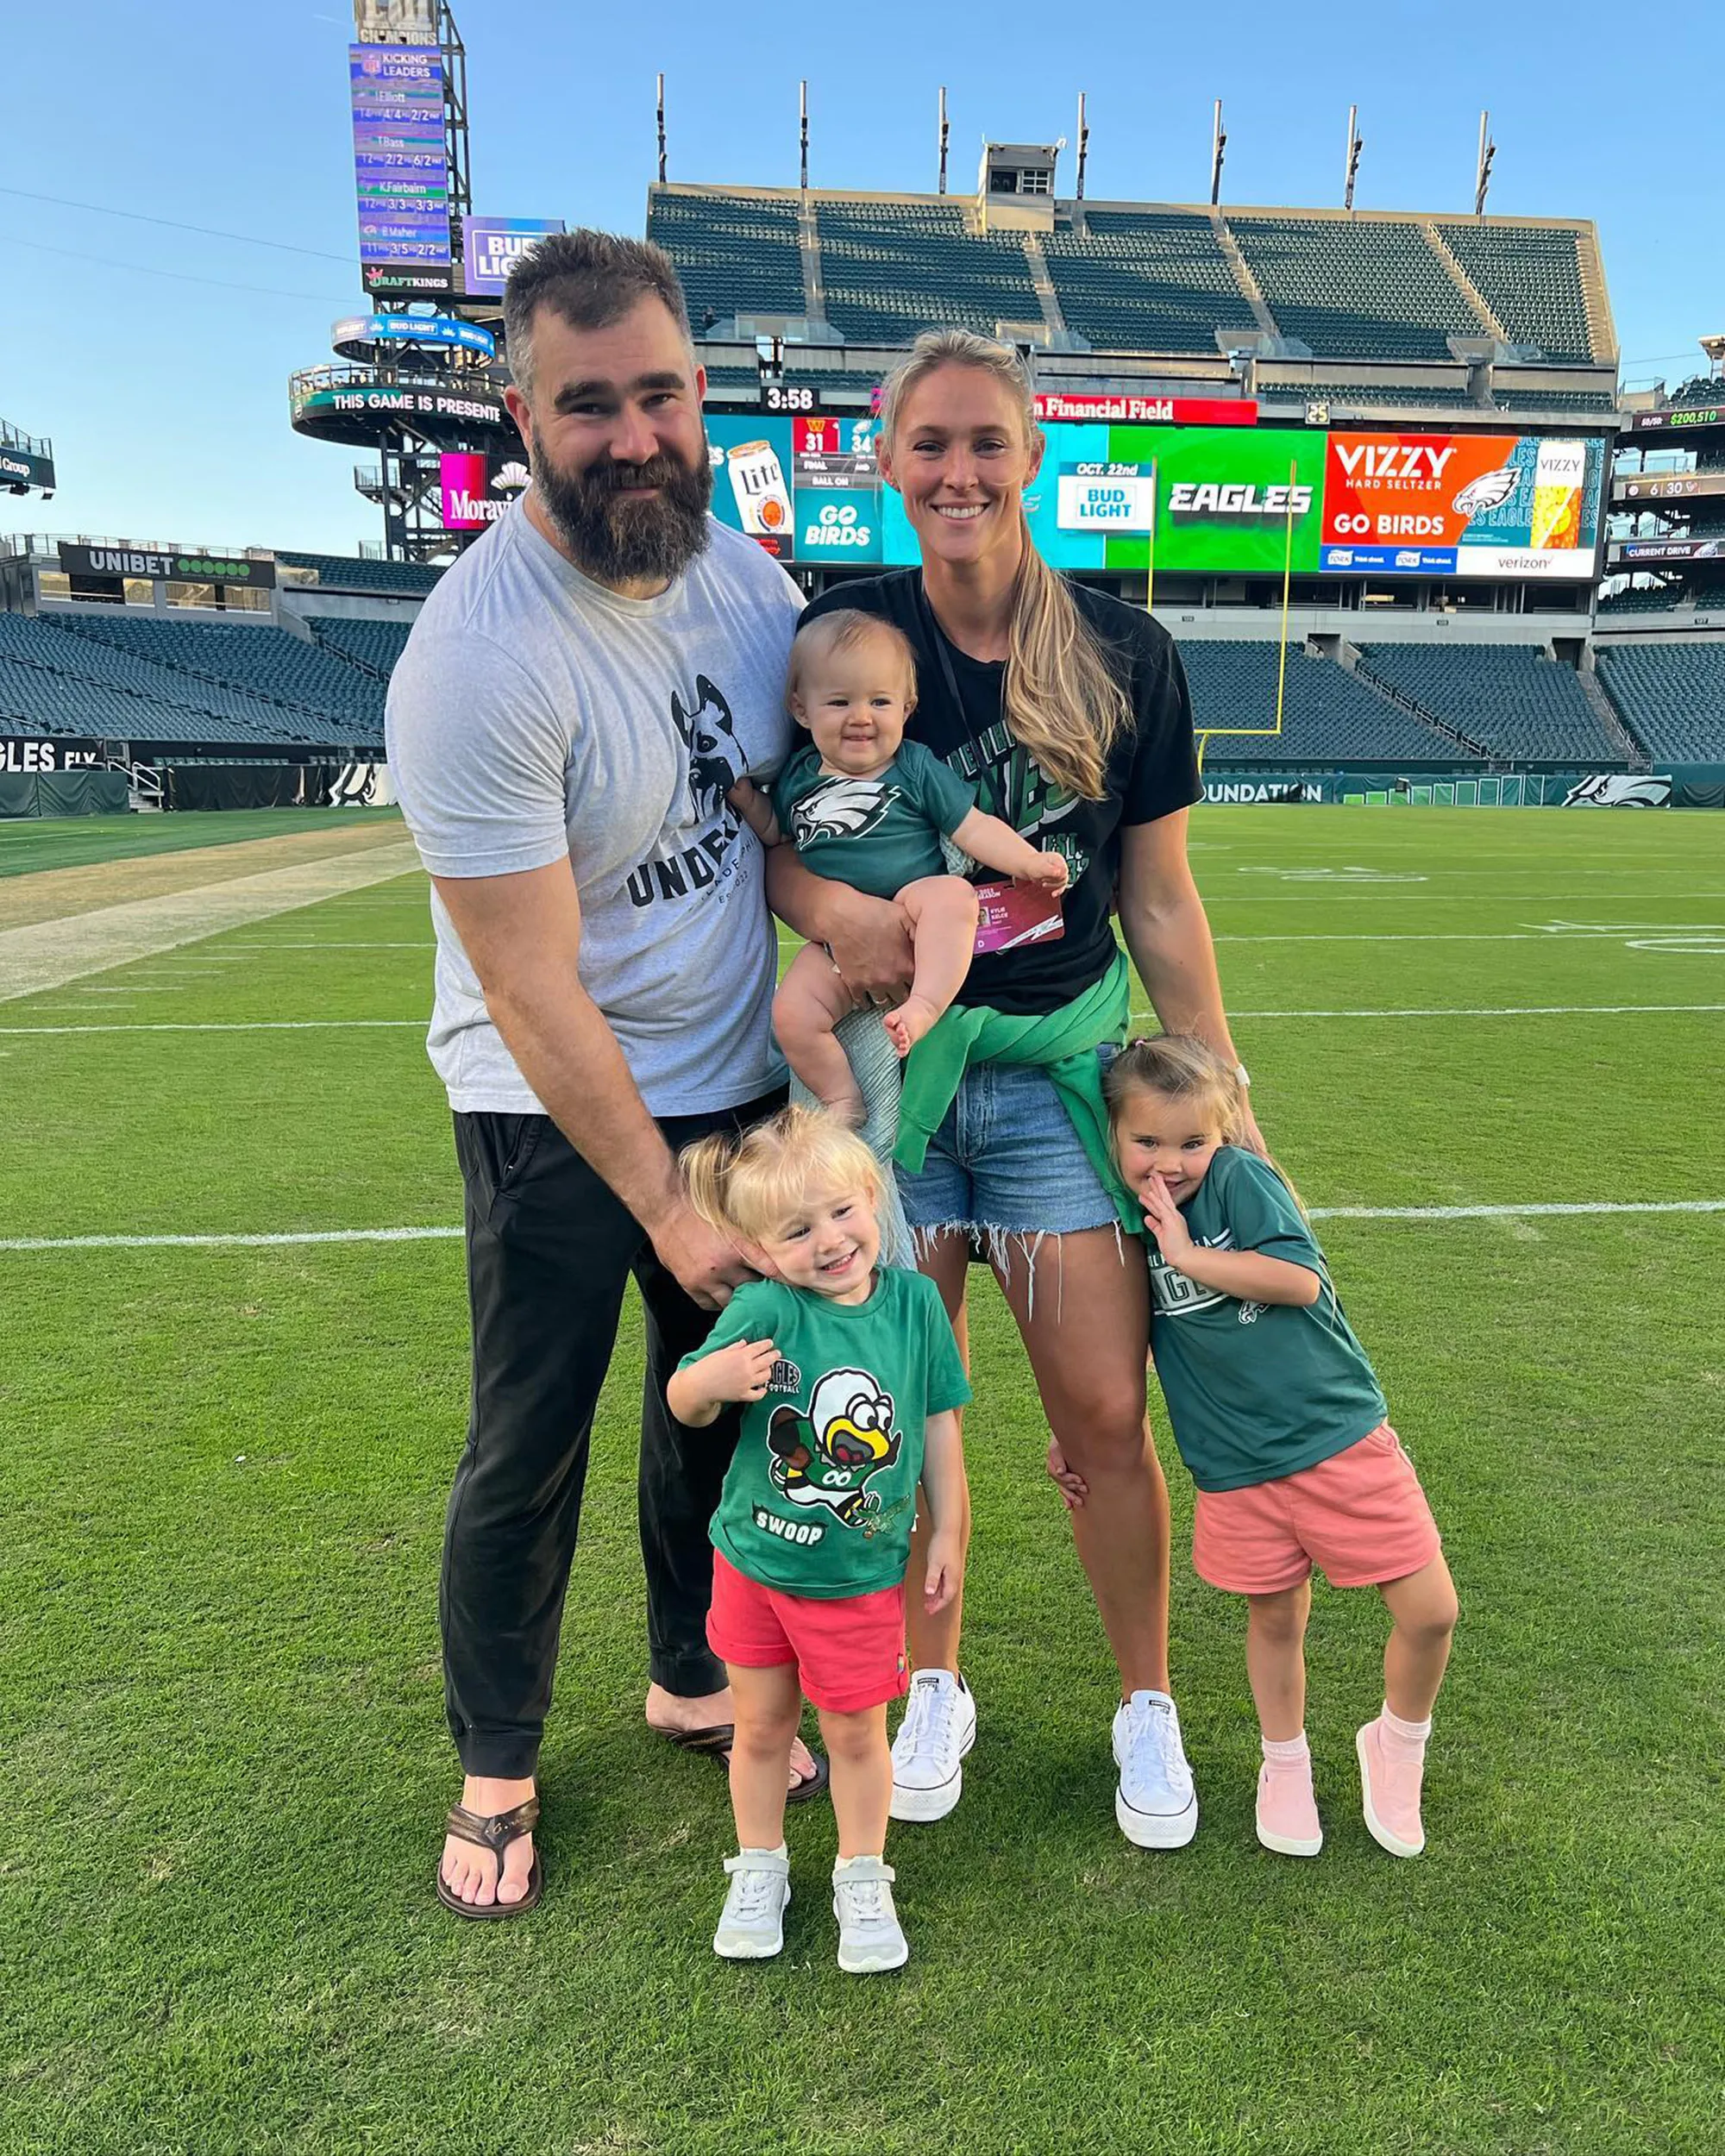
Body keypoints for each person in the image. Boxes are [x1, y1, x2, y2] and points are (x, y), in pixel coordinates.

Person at [764, 328, 1261, 1846]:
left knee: (1104, 1410)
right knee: (893, 1401)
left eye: (988, 441)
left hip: (1057, 1081)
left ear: (1032, 456)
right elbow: (780, 843)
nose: (959, 471)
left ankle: (1146, 1704)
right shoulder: (845, 635)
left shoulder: (1125, 650)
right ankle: (934, 1686)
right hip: (892, 1078)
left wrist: (1225, 1086)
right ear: (887, 459)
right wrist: (833, 914)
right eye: (930, 444)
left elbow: (1158, 897)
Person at [386, 229, 825, 1920]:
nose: (632, 437)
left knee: (715, 1406)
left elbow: (775, 824)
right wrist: (663, 1197)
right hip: (549, 1103)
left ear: (700, 392)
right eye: (588, 406)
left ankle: (689, 1670)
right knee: (532, 1437)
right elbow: (526, 980)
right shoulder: (478, 657)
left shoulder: (751, 585)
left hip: (734, 1083)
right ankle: (497, 1760)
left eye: (657, 395)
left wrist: (871, 929)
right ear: (522, 417)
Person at [1088, 1035, 1459, 1858]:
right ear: (1112, 1132)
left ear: (1221, 1133)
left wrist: (1187, 1253)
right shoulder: (1128, 1219)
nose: (1170, 1163)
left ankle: (1397, 1744)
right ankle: (1283, 1762)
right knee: (1277, 1615)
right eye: (1147, 1141)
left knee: (1432, 1611)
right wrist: (1080, 1433)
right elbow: (1139, 1340)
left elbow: (1298, 1281)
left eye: (1192, 1141)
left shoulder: (1237, 1181)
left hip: (1337, 1437)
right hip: (1234, 1468)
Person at [667, 1107, 969, 1971]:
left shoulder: (915, 1306)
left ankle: (861, 1875)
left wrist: (948, 1527)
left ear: (873, 1197)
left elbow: (938, 1425)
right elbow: (684, 1400)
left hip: (858, 1576)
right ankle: (759, 1865)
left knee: (857, 1736)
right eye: (797, 1231)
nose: (830, 1241)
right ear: (759, 1250)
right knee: (761, 1728)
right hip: (755, 1566)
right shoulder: (765, 1306)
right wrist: (712, 1377)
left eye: (841, 1212)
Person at [729, 608, 1068, 1122]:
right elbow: (778, 833)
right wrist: (749, 802)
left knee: (953, 897)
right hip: (837, 945)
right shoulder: (798, 777)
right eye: (839, 702)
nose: (860, 717)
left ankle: (924, 1006)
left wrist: (1028, 861)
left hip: (913, 908)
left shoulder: (912, 765)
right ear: (801, 709)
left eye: (880, 702)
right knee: (791, 1015)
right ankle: (843, 1099)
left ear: (907, 708)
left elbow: (972, 827)